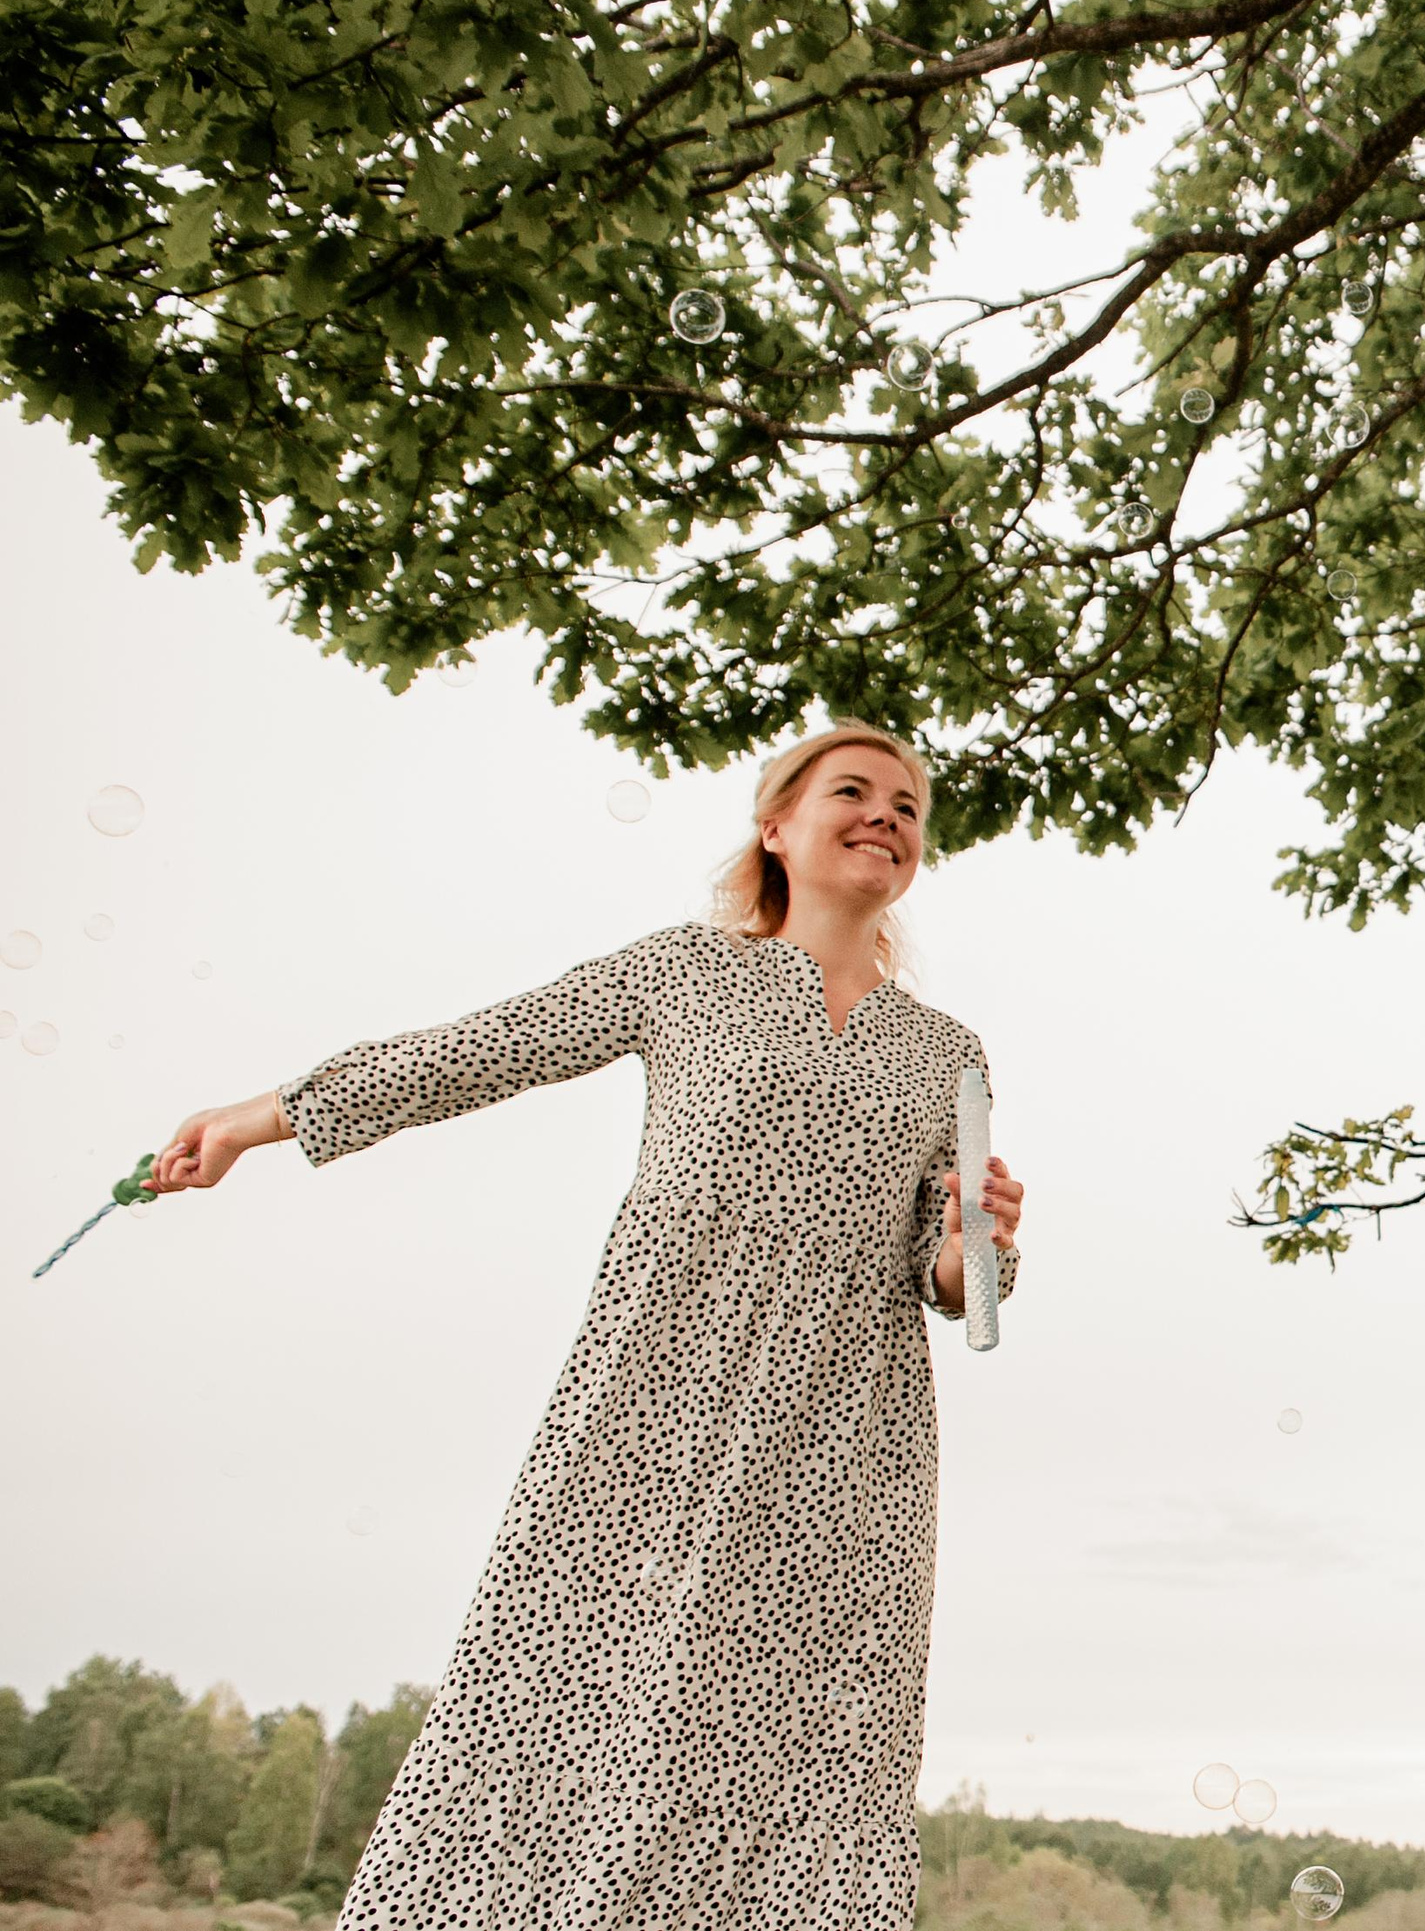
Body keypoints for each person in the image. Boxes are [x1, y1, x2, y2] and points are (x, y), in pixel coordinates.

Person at [146, 721, 1025, 1931]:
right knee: (561, 1687)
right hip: (652, 1387)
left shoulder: (947, 1052)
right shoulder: (681, 971)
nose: (887, 815)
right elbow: (479, 1052)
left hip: (843, 1434)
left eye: (910, 806)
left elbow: (955, 1279)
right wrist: (259, 1118)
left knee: (792, 1730)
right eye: (855, 792)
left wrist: (976, 1240)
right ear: (776, 826)